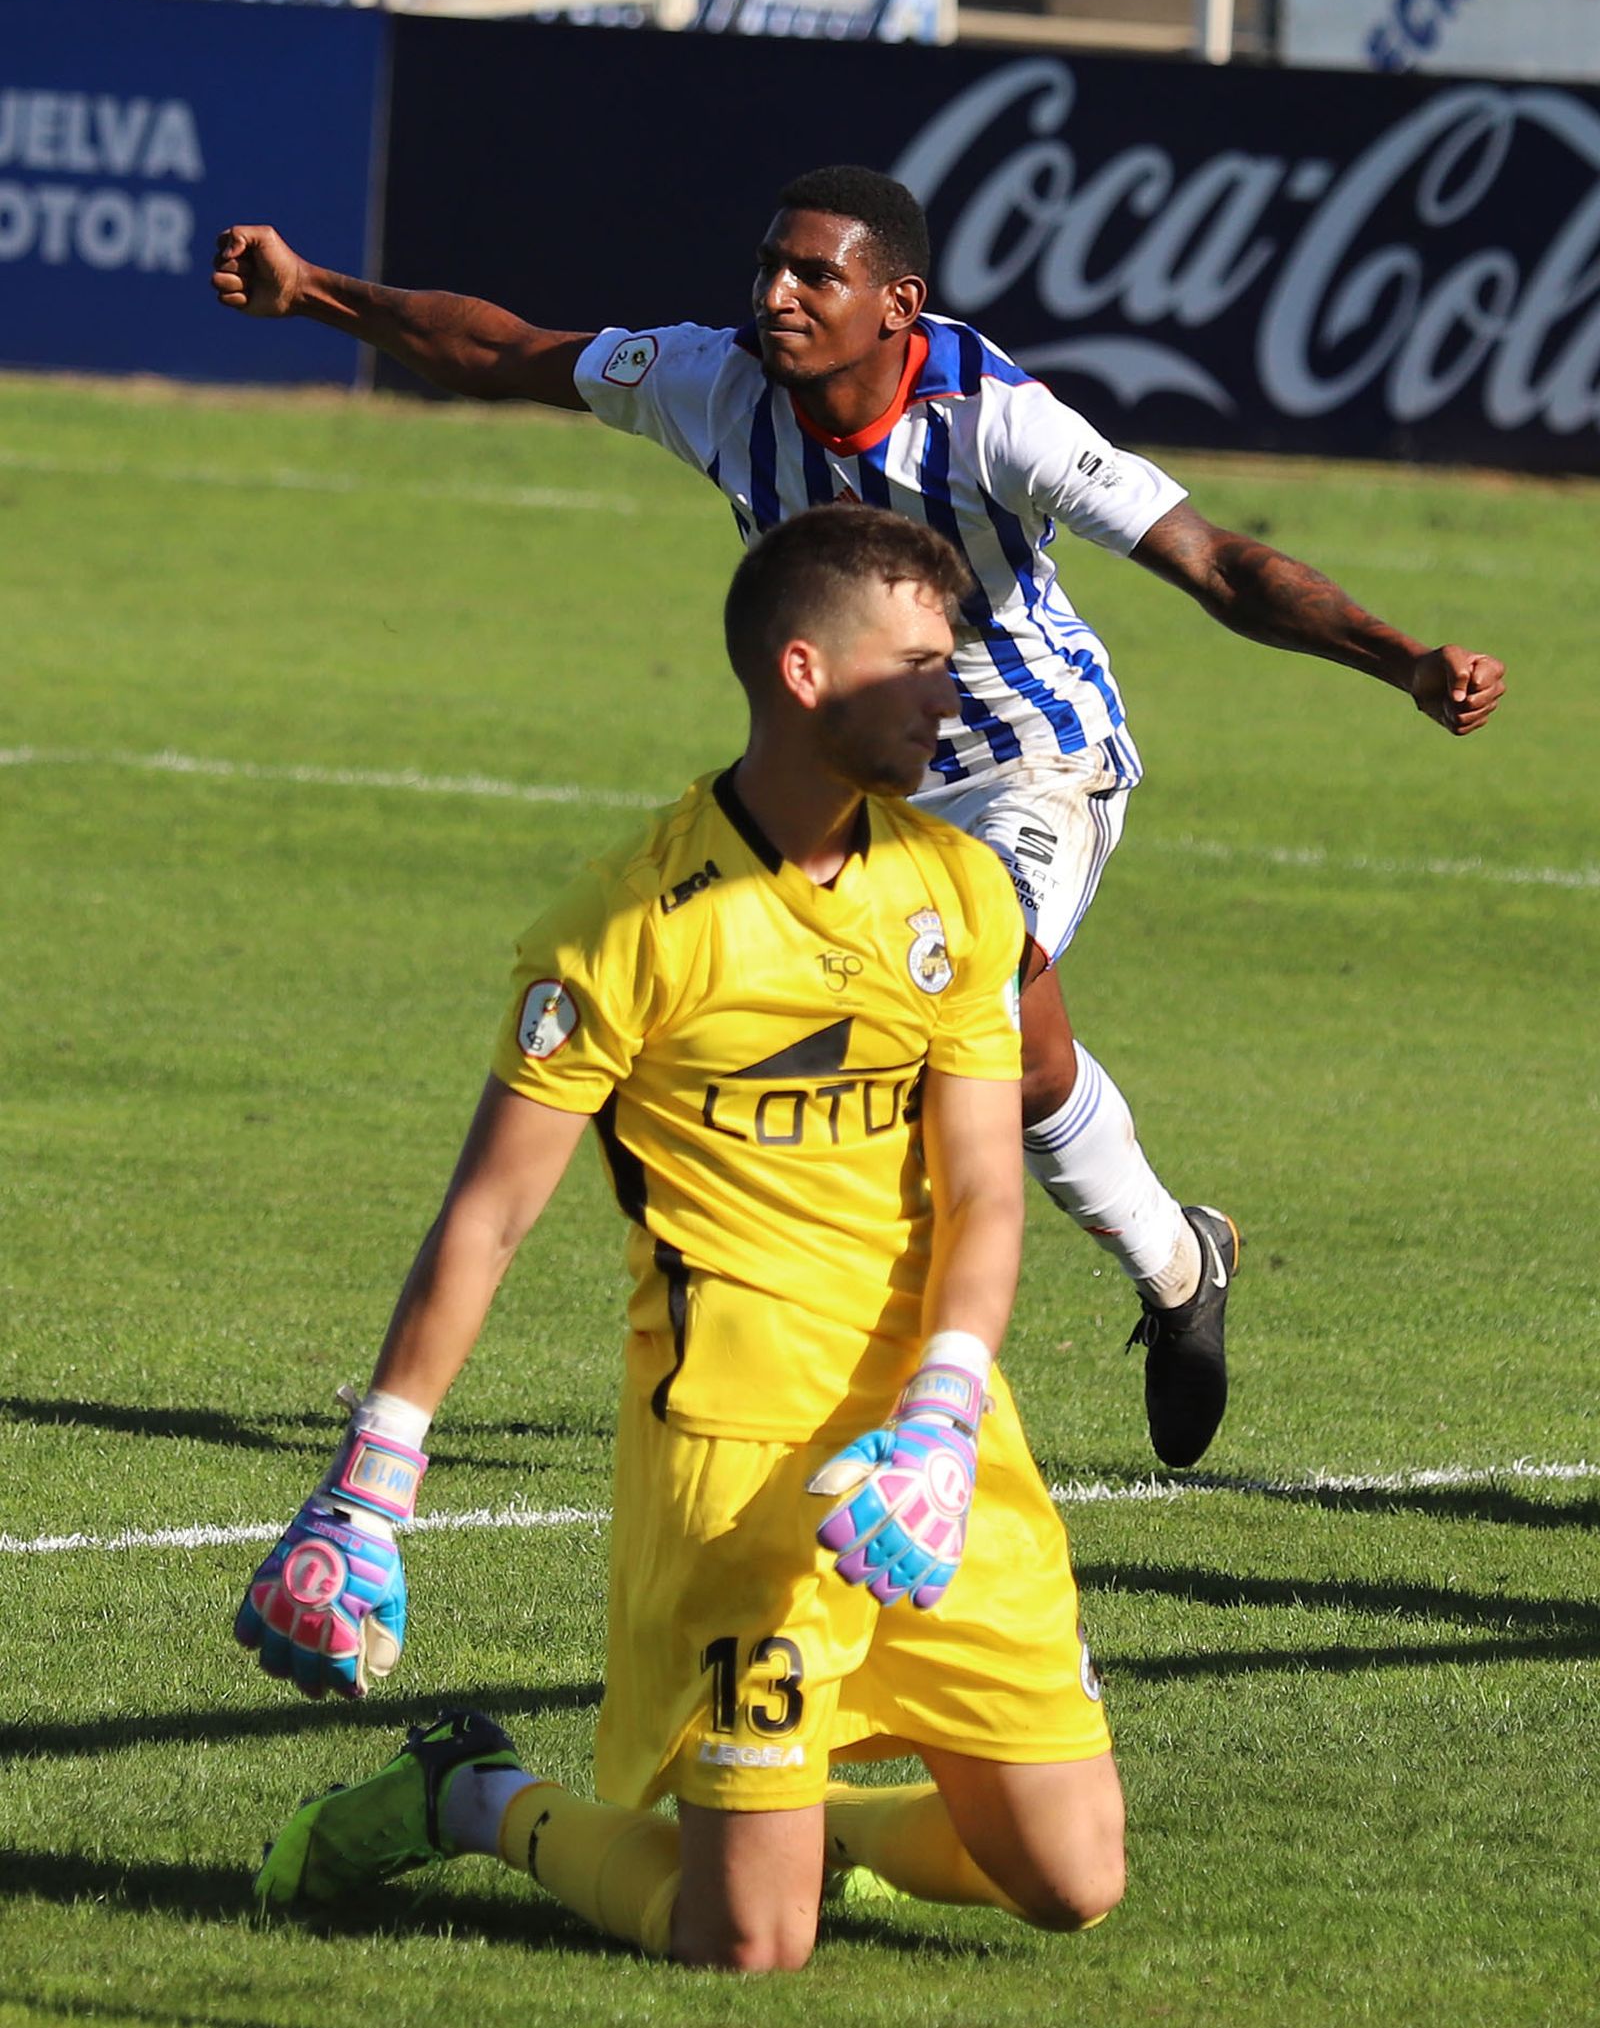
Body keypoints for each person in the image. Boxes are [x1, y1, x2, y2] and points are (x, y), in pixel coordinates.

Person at [213, 166, 1506, 1470]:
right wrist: (313, 290)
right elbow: (504, 351)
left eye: (811, 275)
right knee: (1022, 1062)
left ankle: (895, 1393)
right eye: (769, 265)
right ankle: (1181, 1266)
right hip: (849, 768)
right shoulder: (713, 382)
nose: (774, 295)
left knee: (974, 1003)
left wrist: (1400, 661)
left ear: (898, 303)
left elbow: (1217, 560)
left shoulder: (997, 420)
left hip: (1029, 763)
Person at [239, 507, 1124, 1972]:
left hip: (931, 1456)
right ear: (803, 673)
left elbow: (984, 1187)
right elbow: (492, 1210)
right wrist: (369, 1488)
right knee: (747, 1947)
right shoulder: (628, 923)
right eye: (916, 662)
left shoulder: (959, 889)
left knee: (1072, 1875)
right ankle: (473, 1793)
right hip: (732, 1458)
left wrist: (948, 1416)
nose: (947, 695)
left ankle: (806, 1822)